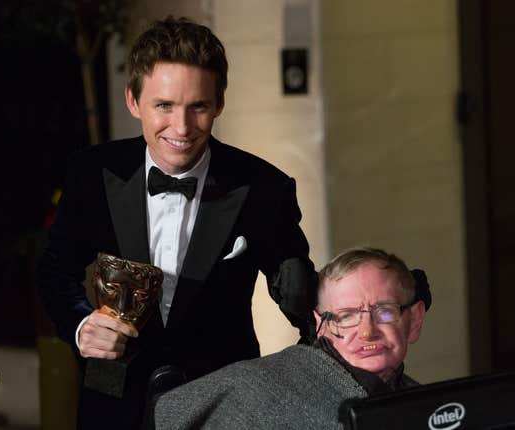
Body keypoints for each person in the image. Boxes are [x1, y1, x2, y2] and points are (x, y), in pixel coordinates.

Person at [36, 16, 317, 428]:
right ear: (134, 101)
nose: (182, 128)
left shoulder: (264, 188)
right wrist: (81, 324)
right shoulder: (91, 172)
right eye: (163, 105)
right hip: (113, 401)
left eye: (198, 107)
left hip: (224, 401)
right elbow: (53, 270)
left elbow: (299, 292)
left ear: (219, 103)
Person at [154, 247, 431, 429]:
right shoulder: (256, 388)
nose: (367, 331)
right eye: (346, 316)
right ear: (320, 325)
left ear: (415, 319)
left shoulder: (434, 409)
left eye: (384, 312)